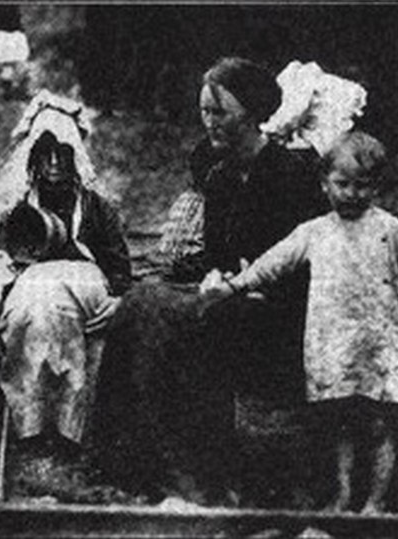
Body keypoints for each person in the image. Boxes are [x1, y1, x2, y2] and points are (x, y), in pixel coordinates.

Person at [94, 57, 326, 505]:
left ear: (254, 113)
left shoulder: (291, 174)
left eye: (221, 112)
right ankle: (134, 460)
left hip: (281, 307)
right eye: (205, 112)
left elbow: (307, 258)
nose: (210, 123)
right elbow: (216, 256)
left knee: (172, 318)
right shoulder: (219, 178)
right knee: (141, 303)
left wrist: (243, 283)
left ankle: (193, 469)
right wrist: (218, 275)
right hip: (231, 296)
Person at [200, 131, 398, 515]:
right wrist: (232, 287)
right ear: (325, 184)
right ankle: (342, 495)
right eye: (342, 184)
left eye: (363, 185)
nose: (352, 194)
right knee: (339, 425)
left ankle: (376, 500)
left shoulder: (397, 233)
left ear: (377, 187)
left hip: (383, 344)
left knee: (379, 425)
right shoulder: (314, 232)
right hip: (334, 344)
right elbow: (272, 264)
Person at [0, 91, 131, 491]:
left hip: (86, 287)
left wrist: (116, 297)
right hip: (32, 290)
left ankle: (67, 431)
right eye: (45, 153)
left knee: (54, 297)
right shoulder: (17, 211)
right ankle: (31, 426)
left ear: (75, 157)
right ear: (33, 156)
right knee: (35, 302)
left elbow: (119, 271)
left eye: (62, 154)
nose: (53, 163)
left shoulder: (96, 208)